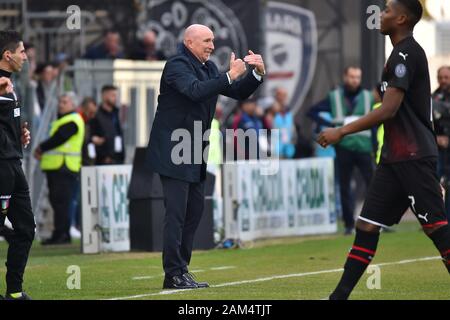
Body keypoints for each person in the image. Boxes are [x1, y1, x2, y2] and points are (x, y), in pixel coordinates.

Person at [318, 0, 450, 300]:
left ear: (402, 19)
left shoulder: (406, 52)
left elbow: (388, 109)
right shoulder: (398, 53)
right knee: (366, 225)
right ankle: (337, 297)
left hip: (414, 157)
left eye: (388, 10)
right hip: (394, 158)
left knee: (436, 228)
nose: (381, 14)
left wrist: (341, 130)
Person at [146, 24, 265, 289]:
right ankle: (173, 273)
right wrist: (229, 76)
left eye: (212, 40)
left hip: (193, 148)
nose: (212, 46)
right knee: (176, 213)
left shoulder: (209, 68)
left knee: (194, 211)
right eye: (207, 41)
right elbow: (195, 90)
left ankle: (181, 271)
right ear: (189, 42)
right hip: (173, 149)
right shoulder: (176, 65)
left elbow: (236, 92)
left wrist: (256, 75)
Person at [309, 66, 376, 235]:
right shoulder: (334, 97)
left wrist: (375, 146)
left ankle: (376, 221)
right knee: (345, 187)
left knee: (374, 185)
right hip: (343, 147)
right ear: (345, 77)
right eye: (352, 76)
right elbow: (312, 111)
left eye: (357, 77)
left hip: (363, 147)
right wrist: (332, 125)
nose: (354, 80)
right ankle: (348, 224)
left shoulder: (368, 97)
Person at [0, 30, 33, 300]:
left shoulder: (11, 85)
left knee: (25, 228)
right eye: (22, 51)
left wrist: (19, 134)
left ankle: (14, 291)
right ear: (7, 55)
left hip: (14, 165)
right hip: (0, 168)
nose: (26, 56)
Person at [34, 92, 85, 245]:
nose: (60, 104)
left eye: (64, 102)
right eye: (60, 101)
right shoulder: (64, 120)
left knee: (61, 203)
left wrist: (41, 147)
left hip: (64, 166)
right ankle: (61, 234)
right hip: (58, 166)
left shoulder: (72, 120)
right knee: (58, 202)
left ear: (73, 105)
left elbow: (58, 138)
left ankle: (61, 235)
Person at [90, 85, 125, 165]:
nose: (115, 98)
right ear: (104, 96)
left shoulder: (115, 114)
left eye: (116, 95)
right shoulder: (96, 115)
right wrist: (103, 156)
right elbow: (92, 139)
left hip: (117, 160)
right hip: (103, 162)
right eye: (113, 95)